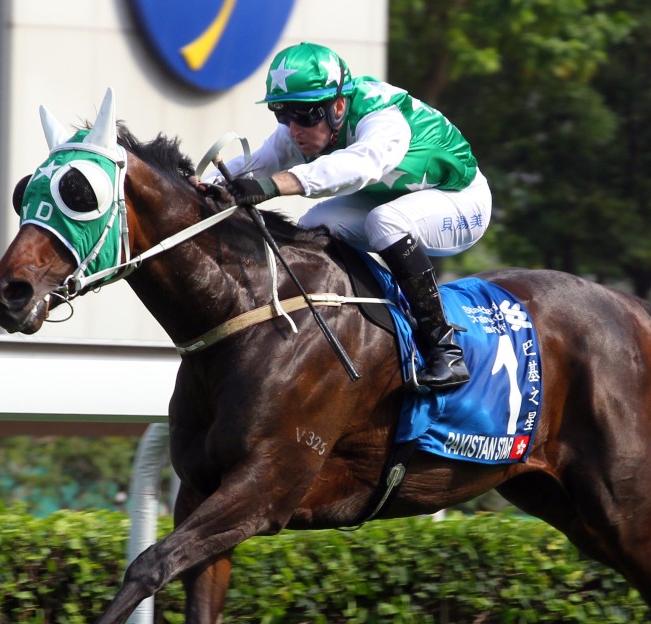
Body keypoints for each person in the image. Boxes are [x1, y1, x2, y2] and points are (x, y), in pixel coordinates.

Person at [205, 42, 491, 390]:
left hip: (460, 200)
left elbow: (359, 166)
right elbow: (258, 165)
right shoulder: (304, 126)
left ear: (338, 106)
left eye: (305, 114)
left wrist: (276, 185)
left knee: (385, 222)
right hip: (395, 200)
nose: (294, 129)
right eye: (283, 114)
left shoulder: (383, 116)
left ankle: (445, 349)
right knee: (313, 225)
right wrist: (204, 184)